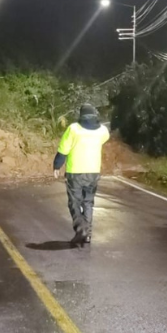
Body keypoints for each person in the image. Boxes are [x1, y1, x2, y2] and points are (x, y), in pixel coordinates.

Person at [53, 103, 110, 245]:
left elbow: (63, 149)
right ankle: (88, 235)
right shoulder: (102, 130)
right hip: (93, 171)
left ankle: (81, 228)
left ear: (81, 115)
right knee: (88, 202)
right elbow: (104, 138)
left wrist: (57, 165)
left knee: (74, 202)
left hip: (75, 172)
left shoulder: (73, 129)